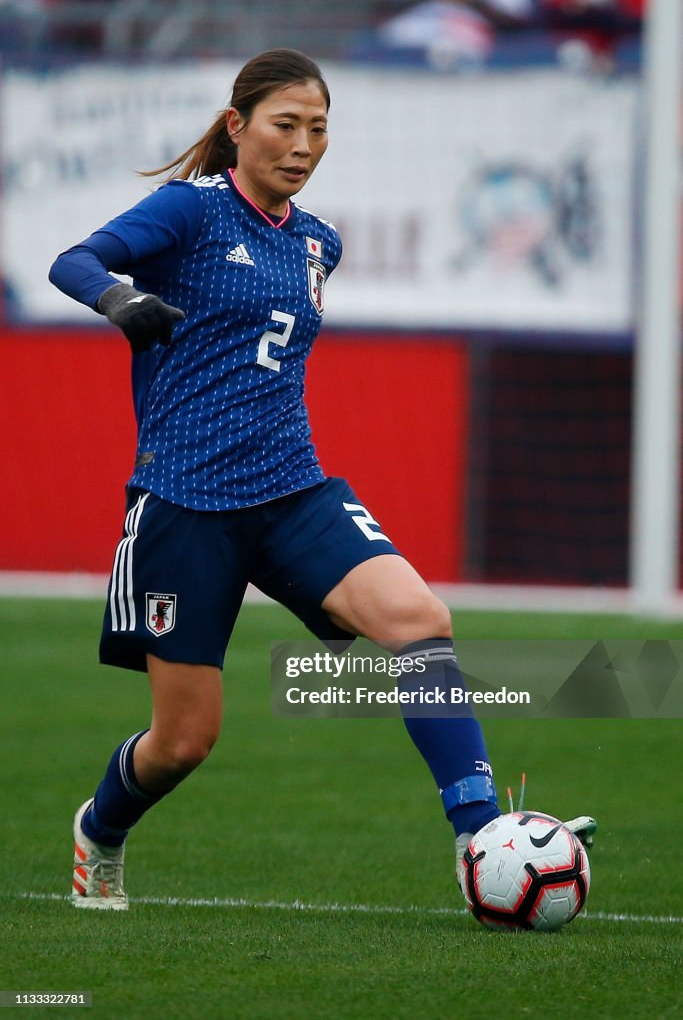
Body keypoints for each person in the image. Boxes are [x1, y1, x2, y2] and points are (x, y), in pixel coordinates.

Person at [49, 48, 595, 912]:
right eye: (285, 125)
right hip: (185, 503)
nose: (303, 145)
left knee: (421, 621)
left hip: (292, 488)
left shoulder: (317, 241)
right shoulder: (187, 212)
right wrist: (120, 302)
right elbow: (75, 260)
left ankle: (477, 835)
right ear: (237, 128)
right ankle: (102, 829)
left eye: (318, 129)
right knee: (184, 742)